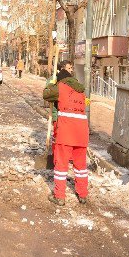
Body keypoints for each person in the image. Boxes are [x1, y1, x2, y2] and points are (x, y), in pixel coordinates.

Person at [42, 60, 89, 205]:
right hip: (81, 132)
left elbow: (46, 94)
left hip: (66, 132)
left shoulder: (60, 87)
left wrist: (52, 84)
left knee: (61, 166)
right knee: (81, 166)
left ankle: (59, 196)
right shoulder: (81, 90)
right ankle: (82, 195)